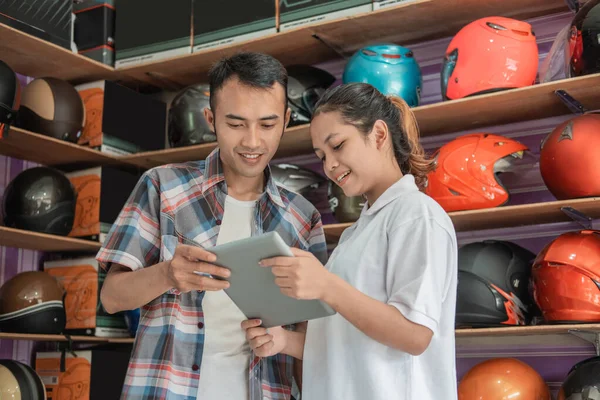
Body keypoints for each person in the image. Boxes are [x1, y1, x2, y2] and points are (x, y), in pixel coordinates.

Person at [96, 52, 328, 400]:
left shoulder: (302, 218)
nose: (252, 142)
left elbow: (311, 340)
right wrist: (167, 275)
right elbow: (112, 298)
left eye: (267, 124)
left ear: (286, 121)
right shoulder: (162, 187)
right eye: (235, 124)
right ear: (211, 119)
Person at [242, 82, 459, 400]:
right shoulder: (355, 235)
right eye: (322, 155)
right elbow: (352, 339)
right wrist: (284, 342)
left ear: (379, 135)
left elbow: (414, 335)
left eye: (338, 145)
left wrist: (326, 285)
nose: (329, 165)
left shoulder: (416, 214)